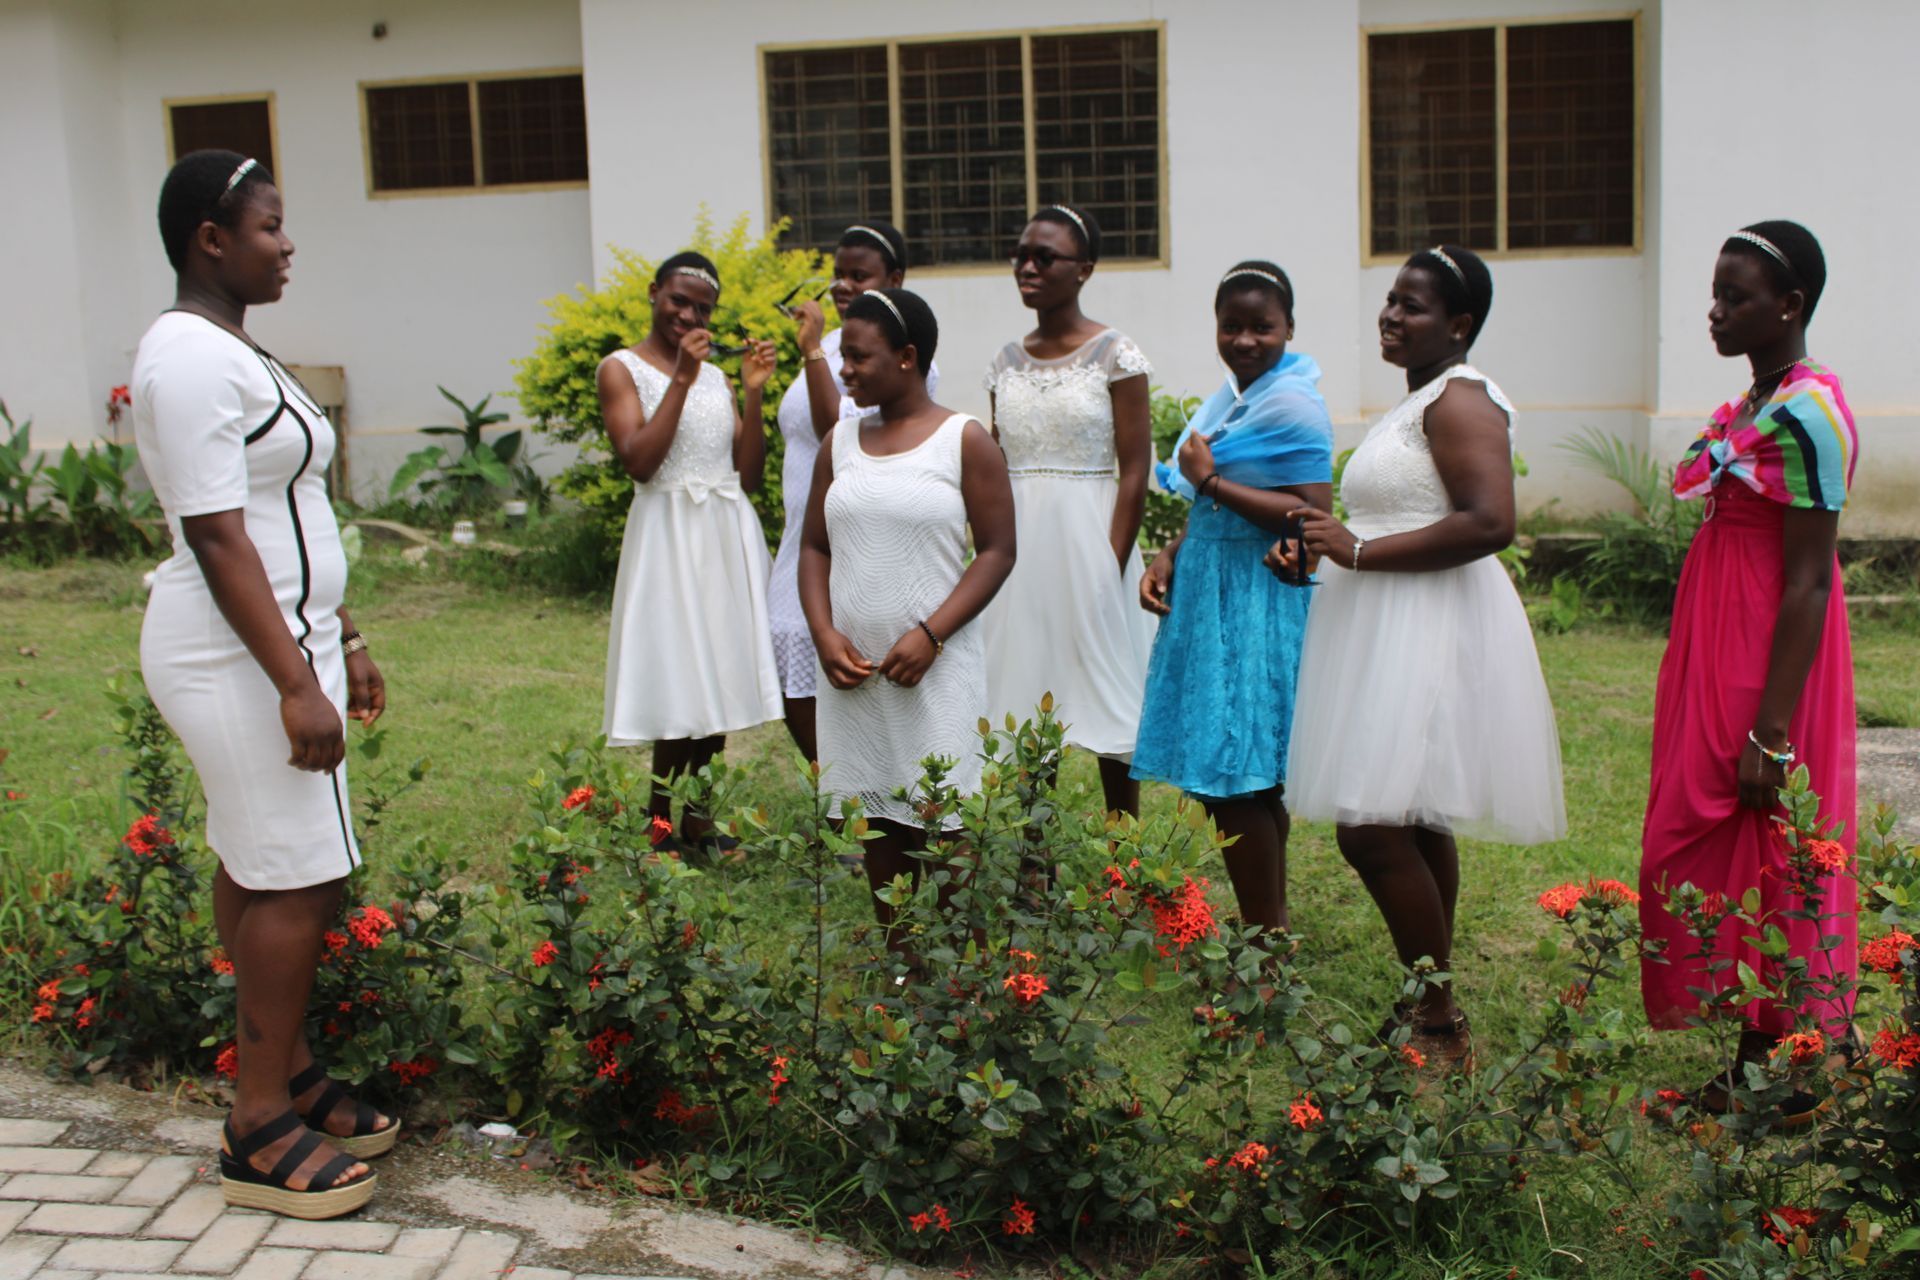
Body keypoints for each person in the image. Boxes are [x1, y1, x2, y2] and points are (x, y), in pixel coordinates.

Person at [134, 150, 390, 1218]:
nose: (287, 246)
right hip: (235, 651)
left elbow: (288, 516)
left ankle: (280, 1071)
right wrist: (296, 679)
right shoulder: (186, 356)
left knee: (266, 855)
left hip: (282, 639)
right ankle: (255, 1126)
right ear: (211, 237)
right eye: (270, 227)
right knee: (299, 872)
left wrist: (344, 633)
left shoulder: (234, 348)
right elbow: (216, 532)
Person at [1268, 245, 1566, 1068]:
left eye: (1413, 305)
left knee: (1370, 829)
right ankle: (1428, 996)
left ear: (1459, 325)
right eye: (1390, 300)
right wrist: (1322, 549)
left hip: (1431, 626)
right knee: (1413, 814)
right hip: (1386, 620)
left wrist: (1356, 551)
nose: (1391, 316)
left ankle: (1436, 1015)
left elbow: (1489, 522)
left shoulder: (1463, 400)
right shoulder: (1419, 400)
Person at [1638, 221, 1858, 1114]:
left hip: (1769, 647)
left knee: (1765, 833)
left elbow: (1807, 576)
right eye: (1715, 293)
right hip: (1715, 633)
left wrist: (1773, 727)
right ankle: (1768, 1052)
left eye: (1735, 297)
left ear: (1790, 306)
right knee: (1702, 830)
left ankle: (1781, 1064)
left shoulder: (1812, 414)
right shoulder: (1753, 406)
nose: (1715, 311)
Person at [799, 289, 1016, 946]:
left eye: (858, 357)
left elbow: (999, 551)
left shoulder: (963, 440)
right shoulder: (840, 442)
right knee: (876, 825)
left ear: (907, 357)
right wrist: (823, 633)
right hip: (855, 677)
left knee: (942, 825)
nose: (844, 370)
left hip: (934, 671)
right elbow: (813, 546)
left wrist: (930, 635)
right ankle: (903, 968)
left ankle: (957, 983)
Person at [1133, 262, 1332, 946]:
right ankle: (1267, 936)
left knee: (1233, 777)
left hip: (1255, 595)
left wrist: (1211, 482)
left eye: (1262, 326)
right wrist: (1171, 553)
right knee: (1239, 777)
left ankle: (1264, 945)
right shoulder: (1233, 399)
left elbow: (1312, 513)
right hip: (1211, 586)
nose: (1245, 340)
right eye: (1231, 325)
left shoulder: (1293, 404)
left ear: (1290, 330)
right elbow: (1207, 503)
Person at [599, 253, 782, 853]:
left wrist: (753, 394)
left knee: (720, 674)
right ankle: (657, 823)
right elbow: (640, 461)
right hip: (668, 533)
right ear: (654, 293)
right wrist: (679, 376)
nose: (689, 314)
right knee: (680, 675)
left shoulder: (717, 377)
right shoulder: (621, 369)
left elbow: (749, 473)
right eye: (679, 300)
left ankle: (701, 820)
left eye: (702, 307)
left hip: (724, 532)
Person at [980, 203, 1155, 816]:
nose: (1028, 266)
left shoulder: (1116, 354)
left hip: (1093, 542)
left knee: (1111, 695)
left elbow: (1135, 470)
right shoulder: (1004, 362)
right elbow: (996, 465)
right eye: (1021, 255)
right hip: (1021, 550)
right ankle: (1034, 856)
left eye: (1044, 257)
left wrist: (1108, 567)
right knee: (1029, 694)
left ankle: (1124, 852)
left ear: (1083, 268)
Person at [770, 222, 939, 763]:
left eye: (858, 275)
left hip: (851, 530)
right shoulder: (830, 347)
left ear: (893, 278)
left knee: (837, 658)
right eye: (837, 273)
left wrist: (815, 352)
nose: (842, 285)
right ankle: (840, 790)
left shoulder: (898, 354)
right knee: (787, 657)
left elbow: (834, 431)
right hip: (801, 529)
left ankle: (861, 792)